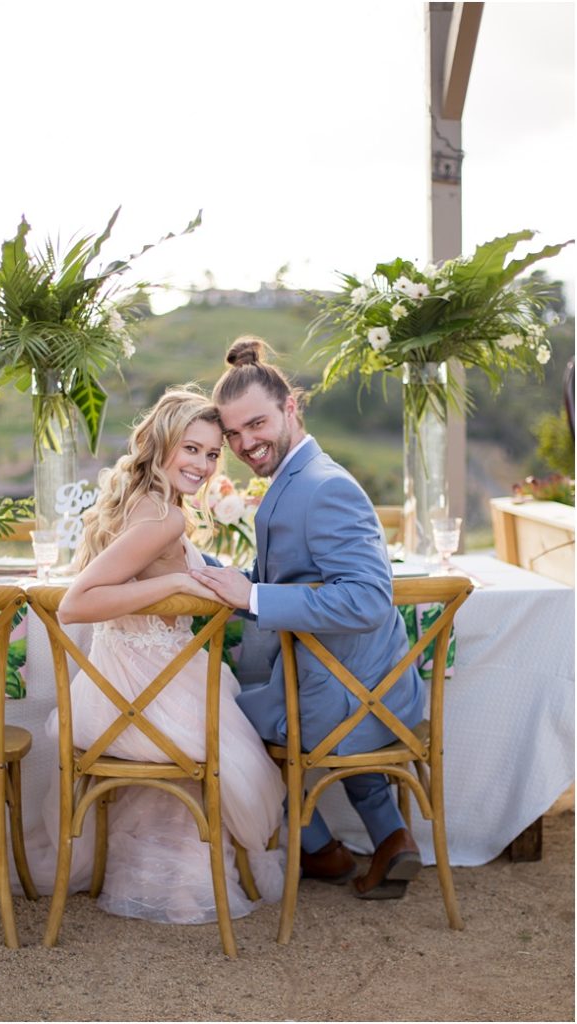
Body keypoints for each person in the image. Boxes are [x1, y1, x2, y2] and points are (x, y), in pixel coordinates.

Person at [23, 386, 286, 924]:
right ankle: (184, 886)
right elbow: (76, 603)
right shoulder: (163, 517)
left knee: (224, 738)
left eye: (212, 454)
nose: (204, 465)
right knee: (241, 762)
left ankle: (166, 879)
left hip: (120, 693)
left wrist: (193, 580)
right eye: (192, 449)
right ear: (161, 445)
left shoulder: (147, 503)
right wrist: (180, 587)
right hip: (142, 696)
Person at [191, 338, 424, 900]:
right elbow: (292, 573)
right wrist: (207, 569)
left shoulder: (325, 487)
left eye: (258, 425)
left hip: (352, 699)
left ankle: (318, 848)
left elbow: (368, 599)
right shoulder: (300, 478)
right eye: (234, 435)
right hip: (364, 690)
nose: (247, 443)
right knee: (262, 698)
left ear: (291, 408)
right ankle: (392, 838)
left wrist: (253, 600)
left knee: (214, 724)